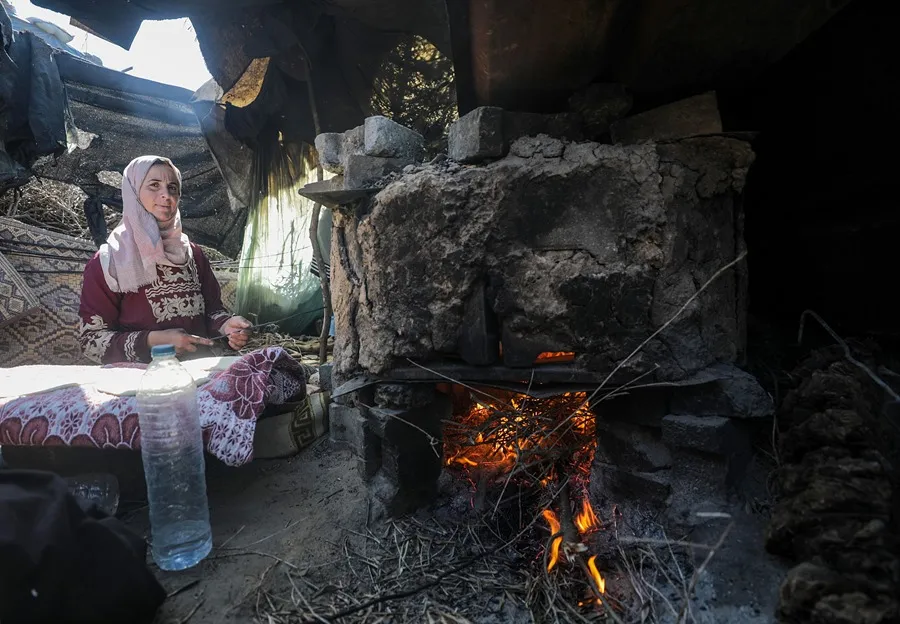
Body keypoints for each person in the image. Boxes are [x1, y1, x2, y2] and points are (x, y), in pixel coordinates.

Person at [78, 155, 251, 364]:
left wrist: (227, 326)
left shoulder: (192, 254)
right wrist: (154, 340)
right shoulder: (108, 262)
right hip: (139, 382)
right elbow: (92, 343)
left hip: (200, 372)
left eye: (172, 187)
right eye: (153, 185)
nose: (166, 195)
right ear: (133, 191)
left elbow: (213, 311)